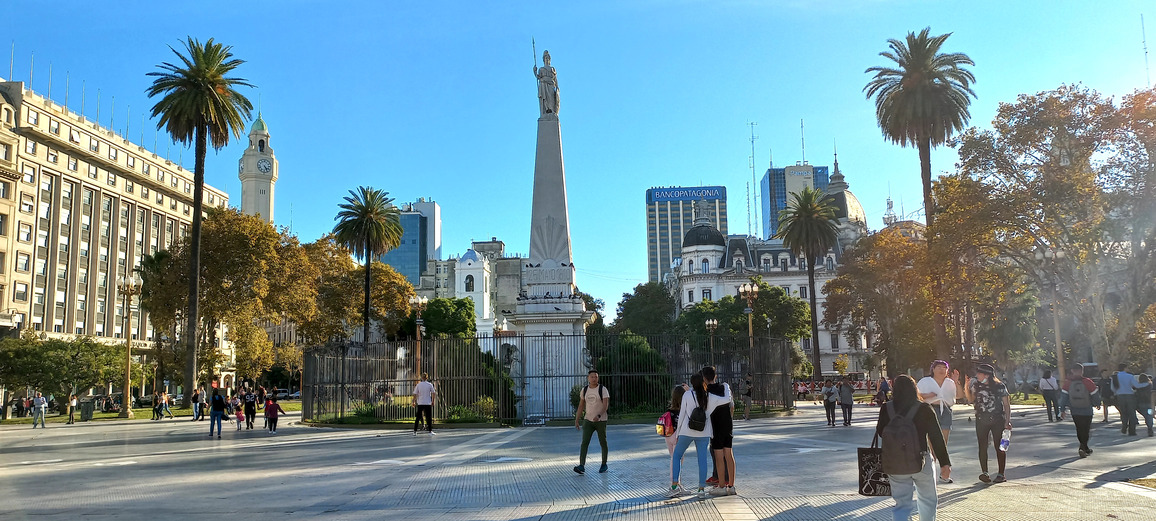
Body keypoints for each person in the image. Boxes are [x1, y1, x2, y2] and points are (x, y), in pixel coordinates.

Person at [876, 375, 952, 521]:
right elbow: (936, 437)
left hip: (895, 463)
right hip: (921, 461)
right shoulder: (924, 408)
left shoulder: (887, 408)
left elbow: (881, 432)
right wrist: (944, 463)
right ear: (914, 389)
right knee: (928, 500)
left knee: (902, 504)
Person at [668, 372, 732, 498]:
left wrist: (678, 432)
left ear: (692, 383)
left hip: (686, 431)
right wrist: (727, 388)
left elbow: (682, 415)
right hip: (703, 432)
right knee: (702, 460)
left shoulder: (687, 394)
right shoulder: (710, 396)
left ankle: (674, 486)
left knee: (676, 456)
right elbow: (727, 399)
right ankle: (701, 489)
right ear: (704, 382)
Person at [965, 364, 1011, 483]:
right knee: (982, 446)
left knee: (1000, 446)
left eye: (979, 374)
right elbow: (970, 399)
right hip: (981, 419)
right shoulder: (976, 385)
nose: (977, 376)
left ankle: (1001, 474)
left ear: (987, 375)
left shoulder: (1000, 386)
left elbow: (1006, 404)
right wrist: (966, 387)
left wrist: (1007, 421)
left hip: (998, 419)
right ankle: (985, 472)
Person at [918, 360, 959, 484]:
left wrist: (957, 381)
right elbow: (917, 395)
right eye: (939, 367)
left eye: (944, 367)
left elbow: (959, 396)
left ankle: (943, 473)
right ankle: (929, 472)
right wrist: (928, 395)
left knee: (943, 443)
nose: (941, 370)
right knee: (930, 444)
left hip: (945, 410)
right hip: (929, 410)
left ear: (947, 371)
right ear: (933, 369)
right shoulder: (925, 381)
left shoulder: (950, 382)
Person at [703, 367, 737, 496]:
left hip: (716, 427)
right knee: (729, 454)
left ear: (704, 379)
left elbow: (707, 412)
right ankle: (731, 485)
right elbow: (728, 400)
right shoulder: (725, 386)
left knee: (719, 457)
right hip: (728, 425)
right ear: (715, 376)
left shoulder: (708, 395)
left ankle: (721, 486)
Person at [1058, 364, 1100, 457]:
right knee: (1086, 429)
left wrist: (1062, 410)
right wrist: (1097, 403)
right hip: (1087, 409)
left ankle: (1084, 448)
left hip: (1075, 409)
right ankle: (1083, 447)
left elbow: (1063, 397)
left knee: (1079, 428)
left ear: (1072, 371)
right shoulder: (1088, 381)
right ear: (1082, 371)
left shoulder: (1068, 383)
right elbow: (1095, 395)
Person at [573, 370, 608, 474]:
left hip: (601, 421)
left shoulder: (603, 389)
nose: (594, 379)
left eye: (596, 377)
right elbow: (581, 406)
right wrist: (577, 419)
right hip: (588, 420)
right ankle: (581, 465)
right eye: (592, 377)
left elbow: (605, 405)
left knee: (603, 442)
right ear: (588, 378)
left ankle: (604, 464)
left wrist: (599, 415)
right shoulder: (585, 390)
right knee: (584, 442)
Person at [1113, 364, 1139, 436]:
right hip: (1129, 395)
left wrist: (1116, 393)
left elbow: (1113, 387)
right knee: (1132, 413)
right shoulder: (1130, 376)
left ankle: (1124, 425)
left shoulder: (1114, 377)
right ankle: (1132, 431)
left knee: (1123, 412)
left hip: (1120, 395)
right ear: (1125, 368)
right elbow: (1136, 385)